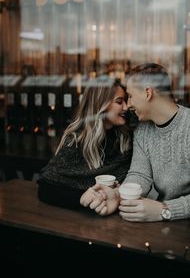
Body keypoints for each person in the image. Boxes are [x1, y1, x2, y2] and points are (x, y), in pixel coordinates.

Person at [81, 63, 190, 221]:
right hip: (164, 225)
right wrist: (118, 195)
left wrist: (164, 210)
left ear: (147, 93)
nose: (129, 105)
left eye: (131, 96)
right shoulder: (143, 129)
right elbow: (140, 175)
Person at [37, 76, 132, 210]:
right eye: (119, 101)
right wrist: (82, 199)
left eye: (126, 101)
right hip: (83, 220)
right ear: (101, 104)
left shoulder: (125, 137)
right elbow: (45, 189)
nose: (126, 107)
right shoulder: (76, 141)